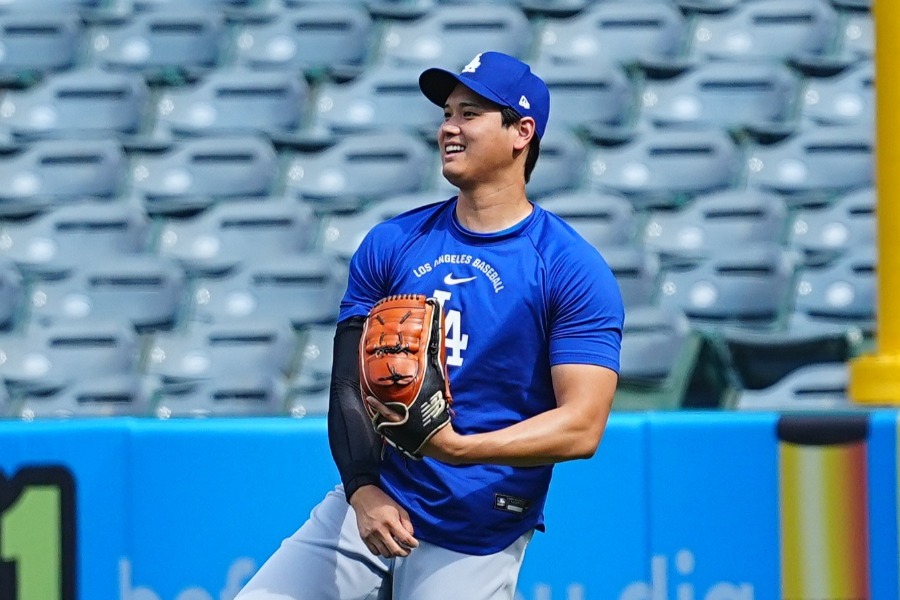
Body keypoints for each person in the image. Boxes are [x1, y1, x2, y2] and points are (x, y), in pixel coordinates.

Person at [236, 51, 624, 600]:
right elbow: (347, 386)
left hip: (477, 527)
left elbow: (582, 426)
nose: (449, 128)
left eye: (470, 114)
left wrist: (459, 449)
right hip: (378, 500)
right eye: (446, 114)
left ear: (522, 132)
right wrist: (362, 489)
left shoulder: (569, 266)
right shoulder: (393, 243)